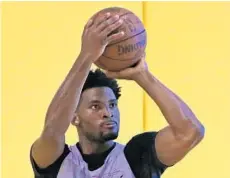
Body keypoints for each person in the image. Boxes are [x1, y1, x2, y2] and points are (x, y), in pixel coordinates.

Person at [30, 12, 205, 178]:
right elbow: (52, 129)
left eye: (112, 105)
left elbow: (190, 131)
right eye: (95, 106)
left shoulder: (137, 156)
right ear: (74, 117)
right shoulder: (55, 161)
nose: (108, 112)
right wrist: (87, 55)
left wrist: (142, 75)